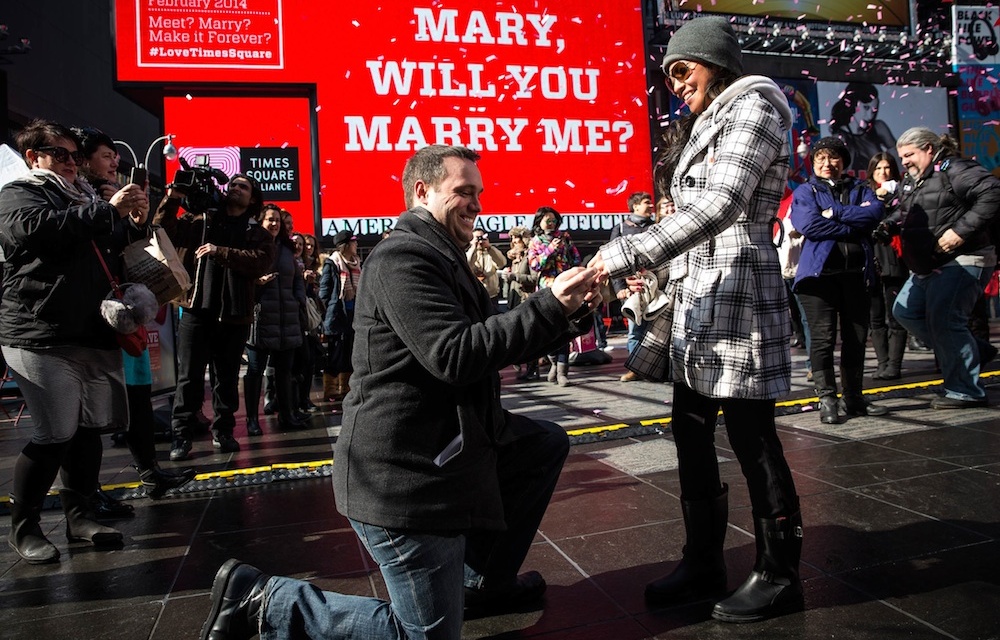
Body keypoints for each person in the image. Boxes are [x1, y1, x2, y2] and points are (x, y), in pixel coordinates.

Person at [200, 144, 602, 640]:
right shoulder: (403, 257)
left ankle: (481, 585)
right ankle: (266, 601)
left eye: (478, 193)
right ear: (421, 191)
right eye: (463, 192)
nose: (476, 204)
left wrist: (569, 311)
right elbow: (455, 354)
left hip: (445, 449)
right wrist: (549, 306)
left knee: (542, 444)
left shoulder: (440, 254)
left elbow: (490, 332)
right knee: (424, 635)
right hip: (403, 478)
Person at [588, 16, 803, 622]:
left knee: (751, 434)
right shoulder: (709, 119)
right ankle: (703, 559)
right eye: (669, 76)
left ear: (715, 60)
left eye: (683, 69)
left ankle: (780, 572)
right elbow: (692, 216)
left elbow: (723, 202)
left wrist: (625, 251)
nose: (675, 84)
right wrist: (653, 274)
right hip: (698, 296)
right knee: (689, 427)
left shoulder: (757, 104)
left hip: (738, 292)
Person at [1, 119, 150, 563]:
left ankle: (79, 515)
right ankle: (23, 527)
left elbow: (110, 251)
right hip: (40, 332)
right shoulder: (18, 193)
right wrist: (109, 211)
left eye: (73, 155)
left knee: (88, 430)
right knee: (55, 431)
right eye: (59, 154)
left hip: (93, 329)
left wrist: (135, 222)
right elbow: (37, 232)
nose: (71, 163)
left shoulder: (88, 196)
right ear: (34, 157)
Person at [75, 126, 195, 499]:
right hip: (92, 318)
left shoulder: (111, 196)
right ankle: (86, 496)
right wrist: (107, 210)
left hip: (125, 313)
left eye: (115, 155)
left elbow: (125, 248)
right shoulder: (74, 197)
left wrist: (138, 221)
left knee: (139, 399)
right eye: (106, 155)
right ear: (84, 160)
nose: (114, 162)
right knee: (92, 412)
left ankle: (151, 472)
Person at [153, 172, 274, 461]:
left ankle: (224, 430)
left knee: (227, 378)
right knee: (189, 377)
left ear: (252, 197)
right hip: (197, 310)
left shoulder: (257, 231)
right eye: (232, 184)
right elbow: (163, 231)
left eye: (243, 187)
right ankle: (181, 434)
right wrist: (173, 199)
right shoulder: (202, 219)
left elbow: (261, 262)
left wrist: (221, 252)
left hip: (234, 315)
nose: (235, 189)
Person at [891, 127, 1000, 408]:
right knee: (904, 311)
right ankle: (974, 350)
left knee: (946, 321)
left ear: (929, 148)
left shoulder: (954, 168)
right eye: (901, 157)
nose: (904, 162)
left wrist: (960, 232)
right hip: (929, 264)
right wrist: (887, 223)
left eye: (909, 155)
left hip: (962, 259)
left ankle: (966, 390)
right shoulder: (915, 179)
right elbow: (905, 210)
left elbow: (992, 192)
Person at [791, 137, 888, 424]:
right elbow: (808, 224)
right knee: (822, 340)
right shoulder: (805, 191)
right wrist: (853, 225)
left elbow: (874, 214)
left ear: (843, 162)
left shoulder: (860, 188)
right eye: (820, 158)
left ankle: (854, 398)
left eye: (833, 158)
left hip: (856, 277)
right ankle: (827, 399)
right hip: (818, 280)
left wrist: (834, 214)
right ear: (814, 162)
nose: (827, 163)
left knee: (856, 339)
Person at [243, 205, 307, 435]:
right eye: (270, 219)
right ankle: (252, 419)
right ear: (260, 221)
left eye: (278, 220)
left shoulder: (287, 249)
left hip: (286, 318)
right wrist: (255, 283)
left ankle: (287, 415)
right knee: (255, 371)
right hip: (260, 317)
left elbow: (297, 279)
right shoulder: (251, 245)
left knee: (284, 371)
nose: (275, 224)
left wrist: (299, 300)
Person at [867, 152, 910, 380]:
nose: (883, 173)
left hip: (893, 259)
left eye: (887, 168)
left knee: (895, 315)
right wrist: (877, 198)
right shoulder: (867, 195)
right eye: (878, 169)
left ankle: (894, 364)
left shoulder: (903, 193)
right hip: (871, 261)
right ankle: (882, 363)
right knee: (876, 317)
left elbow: (901, 218)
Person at [529, 206, 581, 385]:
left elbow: (576, 258)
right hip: (547, 289)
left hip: (566, 287)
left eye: (554, 220)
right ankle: (553, 365)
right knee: (549, 330)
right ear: (539, 223)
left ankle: (562, 372)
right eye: (547, 221)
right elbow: (535, 266)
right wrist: (550, 249)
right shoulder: (536, 241)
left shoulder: (565, 238)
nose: (551, 224)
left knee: (565, 330)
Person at [609, 191, 656, 382]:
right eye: (647, 203)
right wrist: (619, 286)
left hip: (655, 285)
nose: (651, 206)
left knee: (656, 329)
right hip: (632, 287)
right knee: (635, 330)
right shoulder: (621, 228)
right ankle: (635, 368)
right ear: (635, 206)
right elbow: (613, 259)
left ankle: (655, 368)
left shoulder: (657, 227)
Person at [318, 229, 360, 402]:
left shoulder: (357, 263)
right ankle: (331, 389)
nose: (356, 244)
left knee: (350, 353)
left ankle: (346, 388)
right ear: (346, 245)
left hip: (353, 316)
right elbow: (324, 293)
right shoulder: (332, 264)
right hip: (336, 317)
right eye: (353, 242)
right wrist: (330, 311)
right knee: (335, 354)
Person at [828, 82, 897, 174]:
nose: (869, 116)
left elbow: (898, 158)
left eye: (874, 110)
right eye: (866, 108)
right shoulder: (840, 138)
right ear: (852, 104)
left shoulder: (878, 127)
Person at [500, 226, 540, 380]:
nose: (514, 241)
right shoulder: (515, 257)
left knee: (529, 336)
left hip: (526, 299)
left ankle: (532, 369)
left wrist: (515, 276)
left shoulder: (530, 256)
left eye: (516, 238)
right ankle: (520, 361)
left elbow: (534, 278)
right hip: (514, 300)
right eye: (512, 238)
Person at [467, 228, 507, 310]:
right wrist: (474, 247)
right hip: (475, 295)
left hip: (491, 296)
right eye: (477, 238)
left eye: (481, 237)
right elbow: (467, 263)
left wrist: (489, 247)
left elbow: (502, 263)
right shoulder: (468, 252)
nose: (480, 240)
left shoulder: (491, 252)